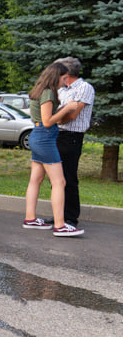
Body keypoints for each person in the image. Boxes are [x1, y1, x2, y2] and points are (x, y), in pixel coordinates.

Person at [22, 62, 82, 237]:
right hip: (45, 138)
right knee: (59, 182)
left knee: (36, 180)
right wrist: (67, 109)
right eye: (64, 78)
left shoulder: (39, 90)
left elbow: (44, 117)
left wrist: (61, 109)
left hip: (37, 135)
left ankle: (30, 218)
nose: (65, 82)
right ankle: (60, 225)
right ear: (57, 76)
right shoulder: (48, 92)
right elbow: (48, 121)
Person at [54, 57, 94, 229]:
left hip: (72, 136)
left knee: (69, 177)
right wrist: (61, 113)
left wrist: (57, 116)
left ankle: (70, 218)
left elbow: (72, 115)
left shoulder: (85, 88)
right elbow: (57, 113)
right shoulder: (61, 90)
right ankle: (58, 216)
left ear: (67, 72)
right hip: (57, 134)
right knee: (57, 179)